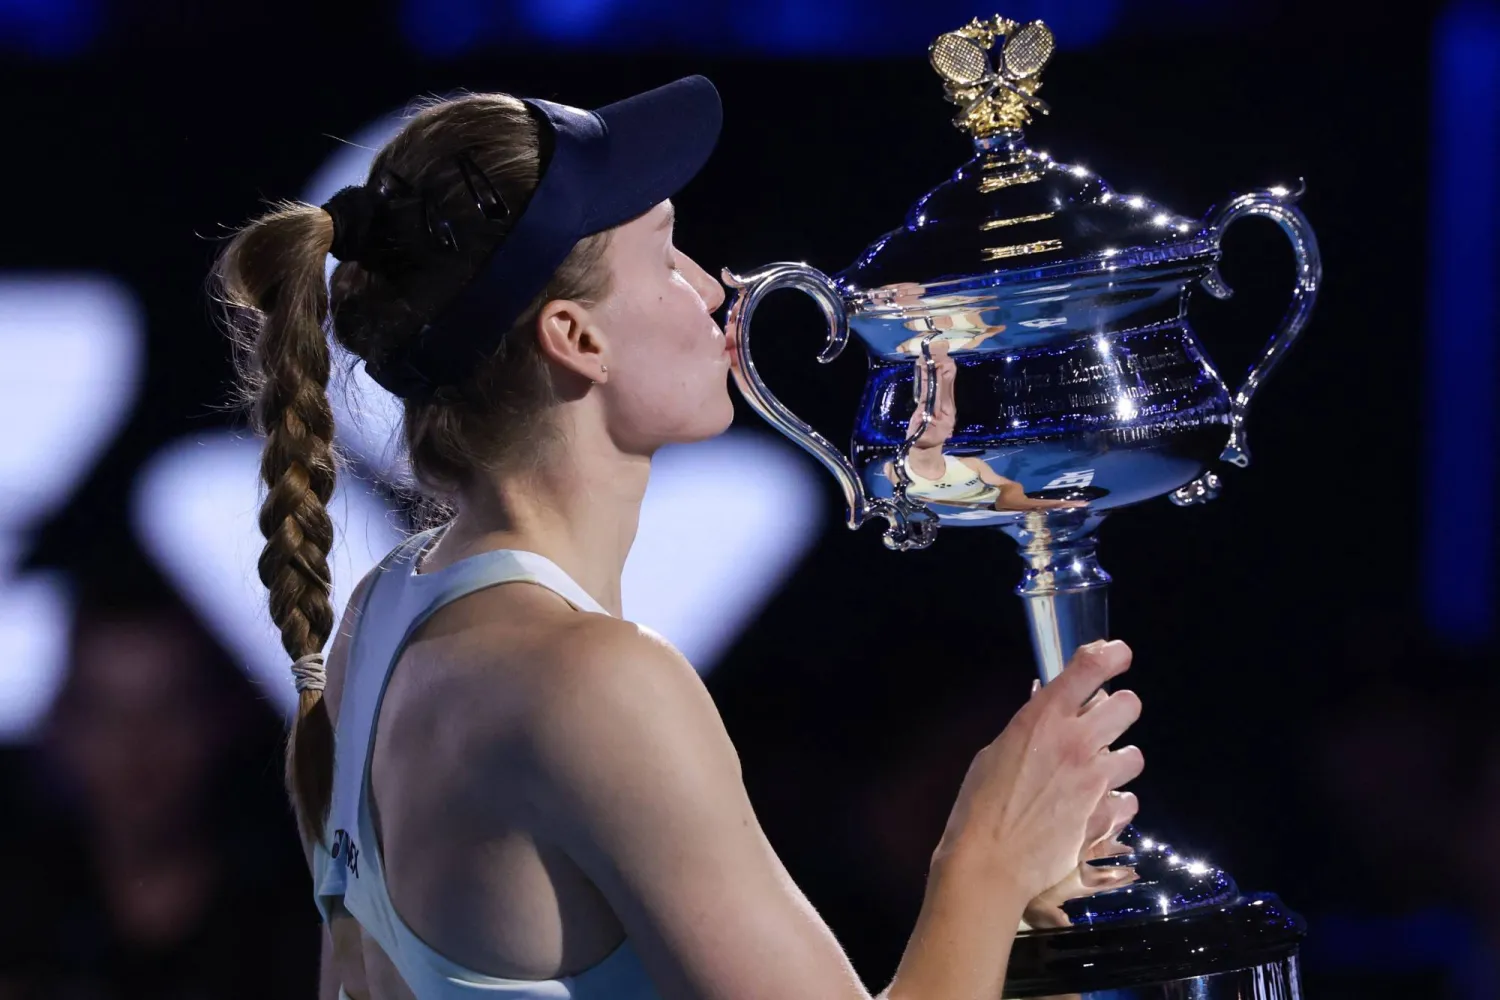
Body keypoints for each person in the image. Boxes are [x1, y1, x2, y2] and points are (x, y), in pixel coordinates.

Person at [211, 75, 1144, 1000]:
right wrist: (985, 856)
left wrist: (1029, 901)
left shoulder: (385, 611)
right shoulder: (595, 684)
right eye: (665, 257)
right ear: (576, 337)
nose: (713, 286)